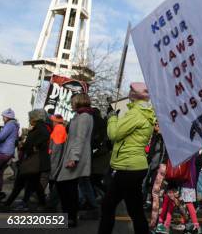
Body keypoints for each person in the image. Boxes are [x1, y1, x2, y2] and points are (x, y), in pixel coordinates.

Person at [97, 82, 156, 234]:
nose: (129, 91)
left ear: (136, 95)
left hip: (128, 167)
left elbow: (114, 134)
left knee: (110, 205)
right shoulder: (143, 112)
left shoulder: (136, 113)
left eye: (132, 89)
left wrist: (111, 117)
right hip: (133, 167)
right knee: (133, 210)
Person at [55, 93, 94, 227]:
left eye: (72, 101)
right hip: (74, 155)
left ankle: (70, 217)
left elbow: (80, 138)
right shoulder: (81, 116)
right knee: (67, 186)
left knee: (66, 186)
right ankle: (70, 216)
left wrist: (74, 157)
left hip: (75, 157)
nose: (71, 104)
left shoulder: (84, 117)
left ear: (79, 101)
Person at [2, 109, 50, 210]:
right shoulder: (39, 127)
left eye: (30, 118)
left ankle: (10, 203)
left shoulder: (40, 127)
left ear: (35, 118)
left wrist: (35, 145)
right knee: (32, 184)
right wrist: (24, 145)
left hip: (34, 161)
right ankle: (32, 202)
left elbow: (45, 136)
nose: (29, 120)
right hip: (34, 161)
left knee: (21, 182)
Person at [47, 114, 67, 211]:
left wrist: (53, 166)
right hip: (56, 161)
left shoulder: (59, 129)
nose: (51, 122)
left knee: (55, 182)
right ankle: (52, 203)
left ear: (55, 121)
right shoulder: (60, 128)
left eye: (52, 121)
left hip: (55, 161)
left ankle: (52, 204)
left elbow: (57, 149)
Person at [0, 108, 19, 201]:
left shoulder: (9, 125)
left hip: (3, 152)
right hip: (8, 152)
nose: (2, 118)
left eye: (3, 116)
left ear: (7, 117)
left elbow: (1, 137)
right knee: (0, 172)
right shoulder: (14, 125)